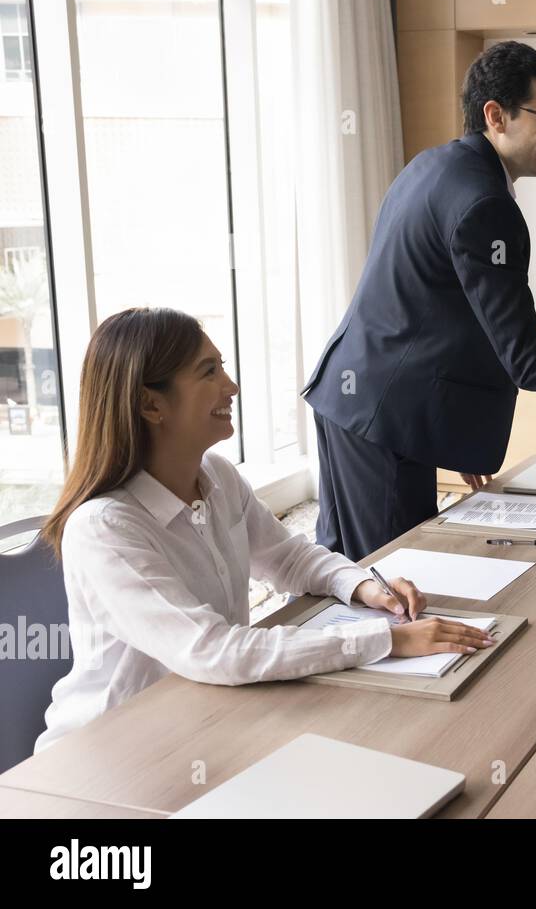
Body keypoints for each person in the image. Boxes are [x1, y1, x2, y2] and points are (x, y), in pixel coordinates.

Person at [35, 308, 492, 751]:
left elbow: (289, 558)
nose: (230, 386)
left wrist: (364, 588)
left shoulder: (215, 474)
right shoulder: (104, 530)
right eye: (208, 372)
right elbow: (212, 650)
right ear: (151, 403)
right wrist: (386, 640)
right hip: (115, 751)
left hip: (207, 713)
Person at [303, 41, 536, 561]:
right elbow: (525, 360)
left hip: (354, 398)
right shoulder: (485, 204)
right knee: (393, 581)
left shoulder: (433, 166)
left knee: (346, 571)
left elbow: (439, 312)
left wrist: (456, 433)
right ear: (496, 115)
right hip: (384, 417)